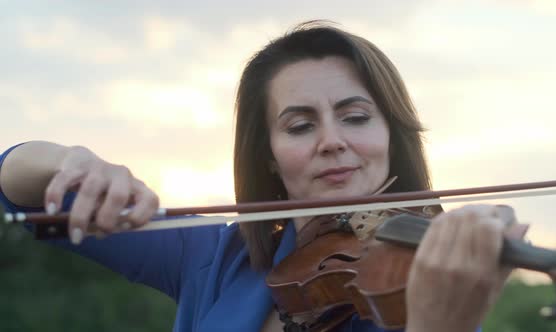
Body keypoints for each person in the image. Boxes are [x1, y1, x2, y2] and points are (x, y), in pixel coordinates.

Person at [0, 21, 527, 331]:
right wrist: (74, 161)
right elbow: (14, 187)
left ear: (392, 135)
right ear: (271, 157)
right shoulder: (213, 260)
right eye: (300, 125)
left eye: (357, 116)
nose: (332, 140)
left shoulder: (424, 286)